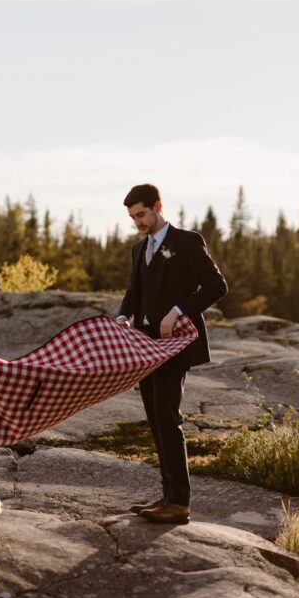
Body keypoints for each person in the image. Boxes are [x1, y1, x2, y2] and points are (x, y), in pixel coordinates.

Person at [116, 184, 228, 525]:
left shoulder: (186, 242)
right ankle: (167, 495)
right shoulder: (139, 250)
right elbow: (134, 292)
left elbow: (216, 285)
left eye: (142, 214)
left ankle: (179, 503)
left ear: (158, 206)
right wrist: (123, 316)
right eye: (133, 217)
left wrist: (179, 309)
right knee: (154, 419)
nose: (138, 222)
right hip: (144, 344)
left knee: (168, 417)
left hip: (176, 343)